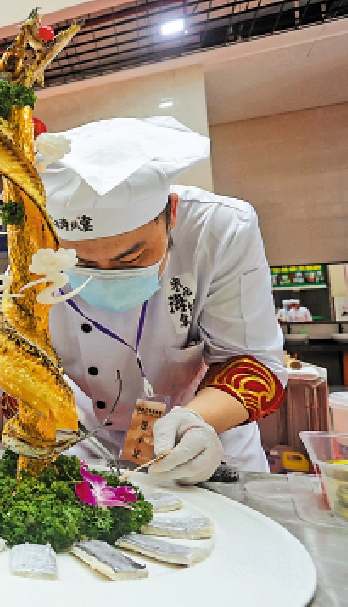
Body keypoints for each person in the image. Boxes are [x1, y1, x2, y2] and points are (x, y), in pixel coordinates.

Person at [35, 116, 286, 483]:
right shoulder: (33, 248)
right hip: (84, 442)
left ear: (171, 213)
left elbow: (253, 361)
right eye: (83, 263)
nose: (108, 274)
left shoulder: (220, 229)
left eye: (130, 258)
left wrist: (196, 422)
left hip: (198, 439)